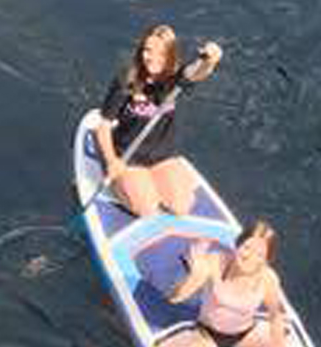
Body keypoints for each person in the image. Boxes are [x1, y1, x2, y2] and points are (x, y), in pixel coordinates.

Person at [93, 24, 224, 219]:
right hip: (128, 157)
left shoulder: (175, 79)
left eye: (161, 53)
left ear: (170, 56)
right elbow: (103, 126)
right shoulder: (126, 80)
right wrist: (112, 161)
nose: (152, 58)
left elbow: (197, 73)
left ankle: (154, 181)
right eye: (147, 50)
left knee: (182, 207)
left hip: (162, 155)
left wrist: (211, 61)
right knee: (147, 209)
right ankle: (121, 184)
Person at [154, 220, 295, 347]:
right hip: (208, 335)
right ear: (237, 245)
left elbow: (276, 315)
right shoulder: (216, 262)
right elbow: (175, 298)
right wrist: (195, 274)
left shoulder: (268, 278)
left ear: (266, 260)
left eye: (259, 254)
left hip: (245, 336)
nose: (249, 256)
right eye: (246, 247)